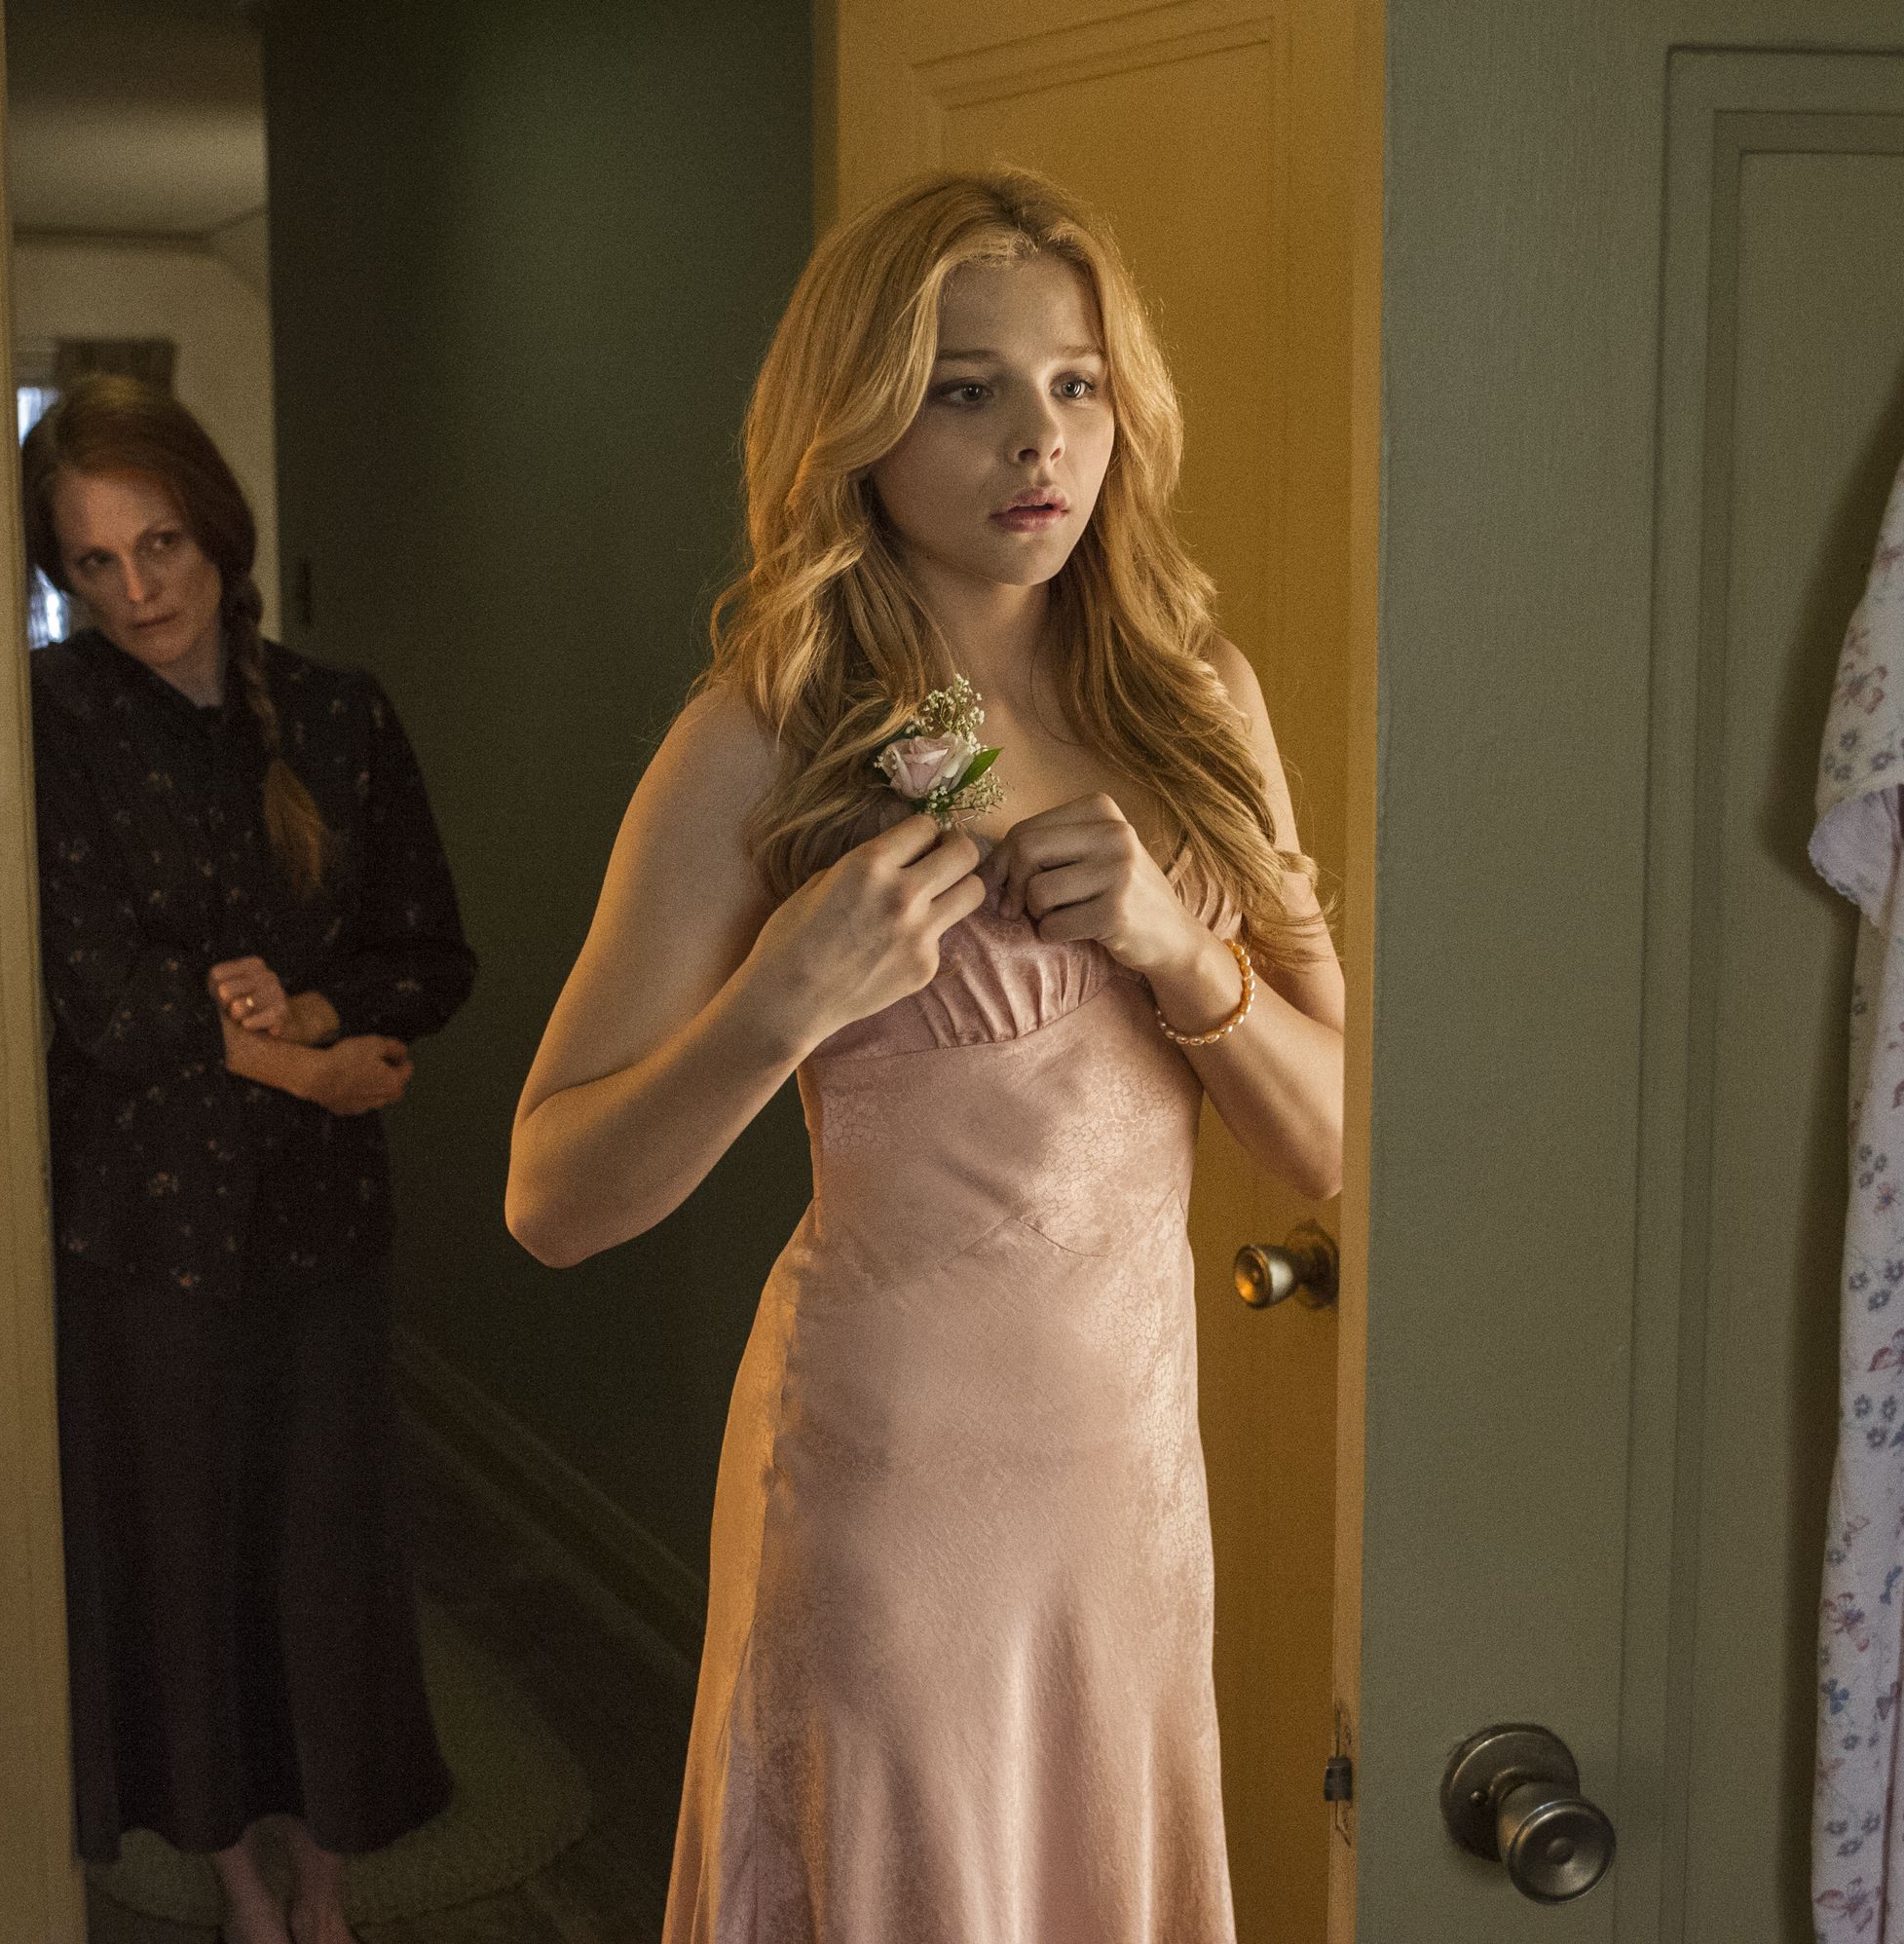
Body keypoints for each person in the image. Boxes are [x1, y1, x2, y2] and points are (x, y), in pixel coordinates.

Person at [506, 169, 1346, 1941]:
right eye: (967, 390)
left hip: (1130, 1495)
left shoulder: (1197, 697)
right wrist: (779, 1004)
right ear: (860, 424)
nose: (1039, 440)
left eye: (1076, 383)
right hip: (889, 1497)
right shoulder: (765, 734)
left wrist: (1179, 947)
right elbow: (551, 1200)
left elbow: (1336, 1140)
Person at [21, 375, 473, 1944]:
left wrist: (328, 1008)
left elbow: (432, 952)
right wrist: (306, 1067)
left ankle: (327, 1880)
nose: (137, 590)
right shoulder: (52, 719)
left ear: (217, 529)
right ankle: (234, 1883)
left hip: (320, 1220)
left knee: (325, 1559)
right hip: (144, 1226)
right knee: (184, 1557)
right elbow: (100, 989)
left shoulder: (341, 716)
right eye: (93, 563)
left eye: (159, 545)